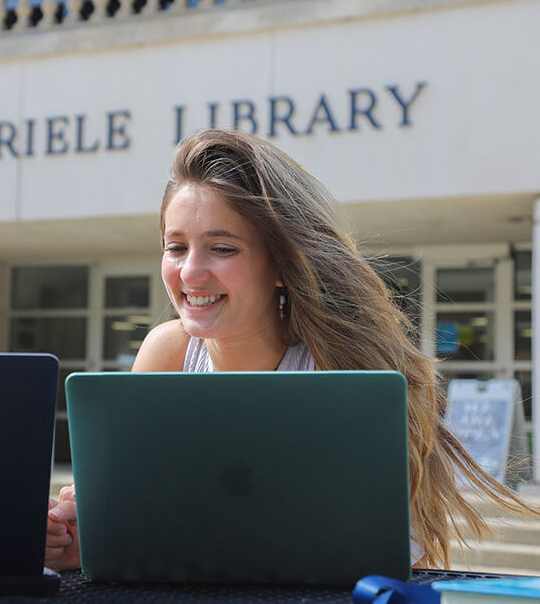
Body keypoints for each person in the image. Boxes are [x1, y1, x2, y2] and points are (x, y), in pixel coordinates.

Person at [46, 128, 536, 571]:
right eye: (176, 247)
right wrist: (83, 542)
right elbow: (139, 528)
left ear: (281, 263)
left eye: (223, 248)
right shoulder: (166, 353)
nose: (190, 272)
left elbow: (400, 556)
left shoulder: (344, 370)